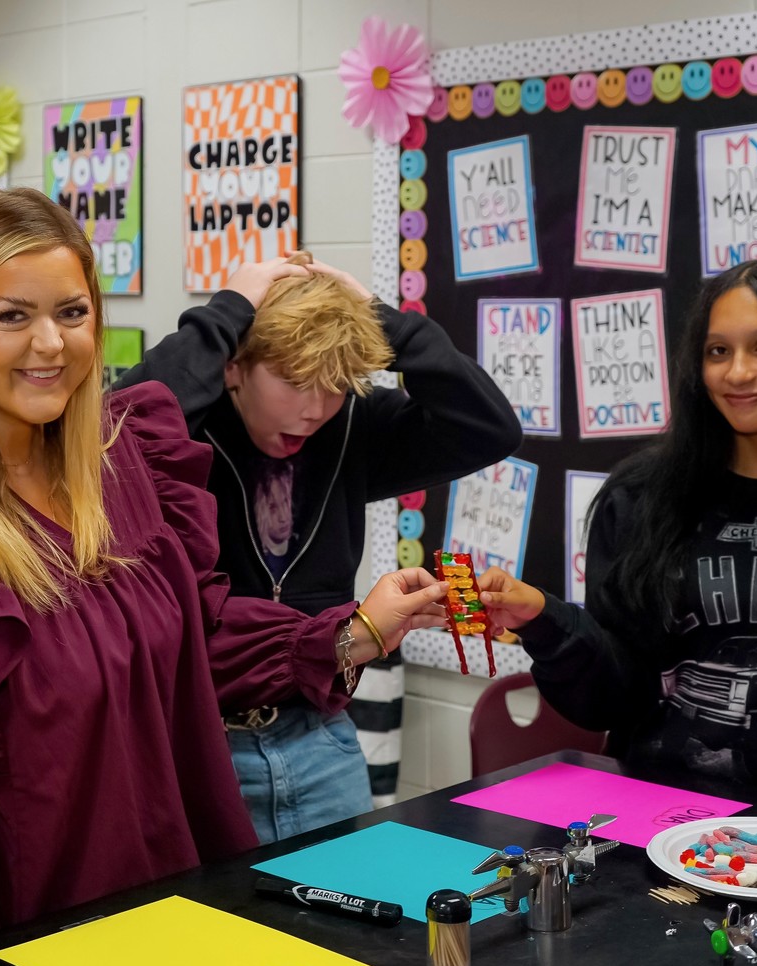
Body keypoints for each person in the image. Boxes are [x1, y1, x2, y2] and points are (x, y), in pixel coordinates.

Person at [0, 187, 450, 951]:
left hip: (172, 914)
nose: (51, 345)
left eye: (71, 313)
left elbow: (200, 638)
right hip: (30, 947)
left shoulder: (120, 476)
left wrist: (354, 633)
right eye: (12, 316)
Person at [114, 257, 522, 842]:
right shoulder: (183, 437)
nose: (315, 408)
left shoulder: (351, 427)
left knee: (349, 924)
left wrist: (387, 325)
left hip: (319, 736)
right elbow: (112, 431)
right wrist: (225, 314)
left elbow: (491, 428)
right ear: (233, 367)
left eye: (334, 385)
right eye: (294, 380)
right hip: (194, 745)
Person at [477, 259, 757, 785]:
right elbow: (617, 695)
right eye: (718, 351)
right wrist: (542, 619)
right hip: (663, 820)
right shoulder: (639, 499)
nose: (737, 372)